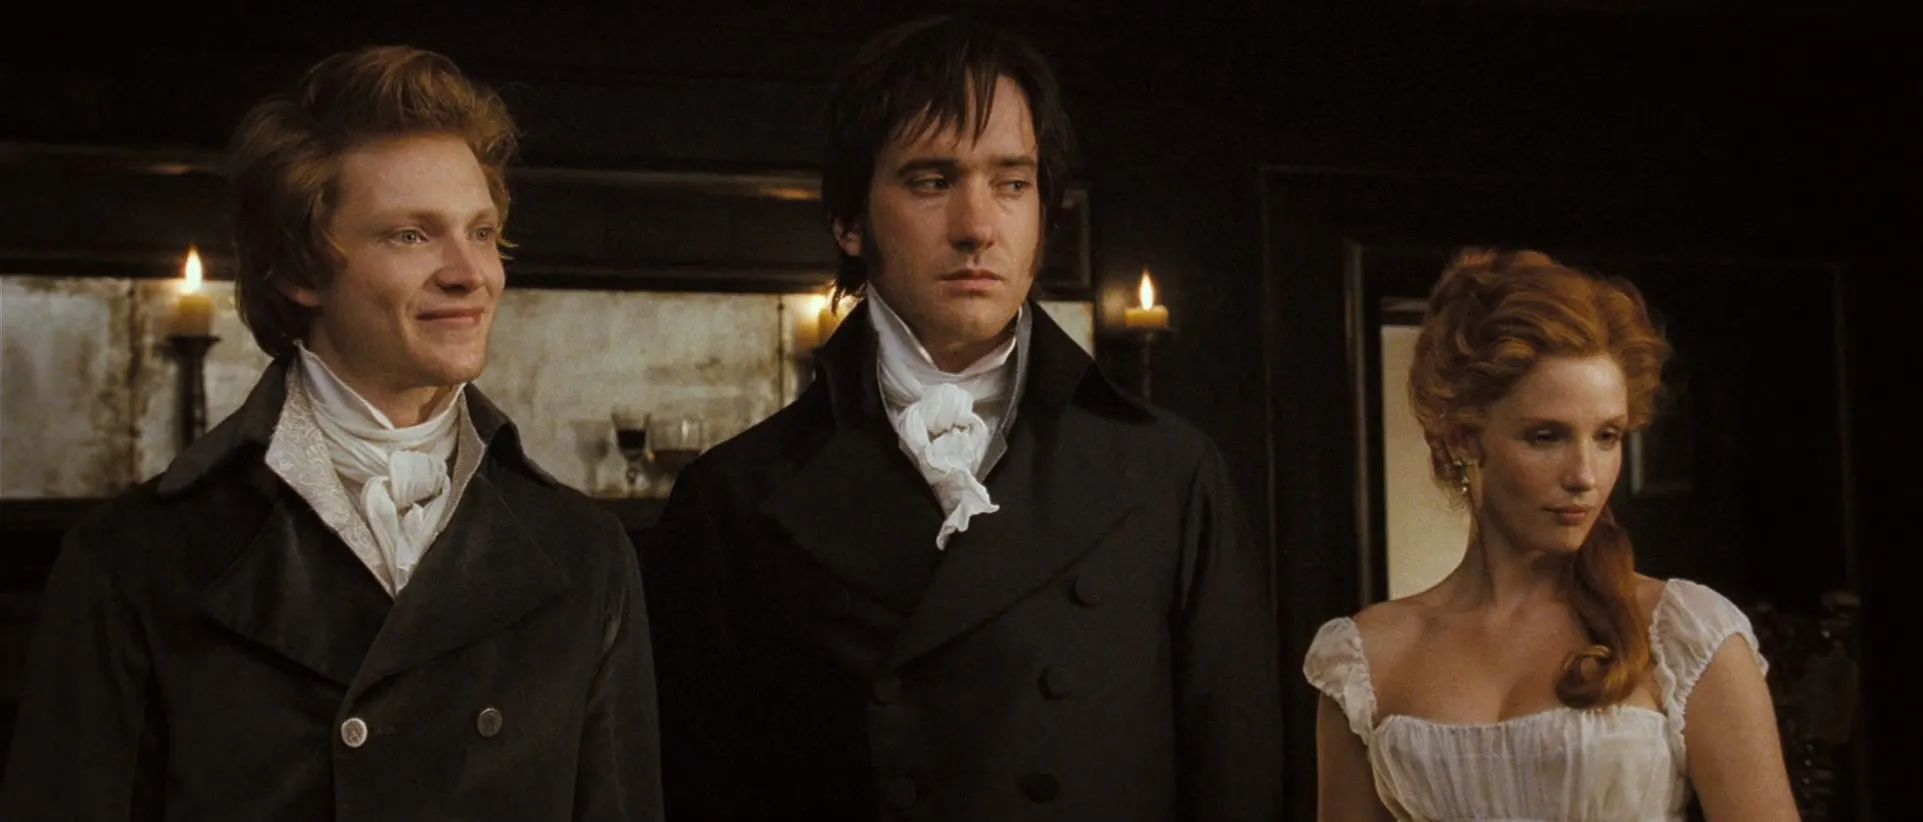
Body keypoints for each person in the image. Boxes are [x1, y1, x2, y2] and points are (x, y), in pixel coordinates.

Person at [642, 14, 1283, 821]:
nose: (977, 227)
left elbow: (1238, 781)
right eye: (931, 181)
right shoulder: (733, 499)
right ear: (847, 220)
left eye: (1011, 184)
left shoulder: (1167, 473)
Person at [0, 46, 661, 820]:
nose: (469, 273)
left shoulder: (583, 554)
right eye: (410, 235)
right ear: (300, 269)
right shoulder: (137, 558)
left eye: (481, 232)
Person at [1305, 248, 1797, 820]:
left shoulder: (1684, 633)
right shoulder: (1369, 657)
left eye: (1607, 436)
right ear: (1463, 438)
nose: (1585, 476)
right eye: (1546, 436)